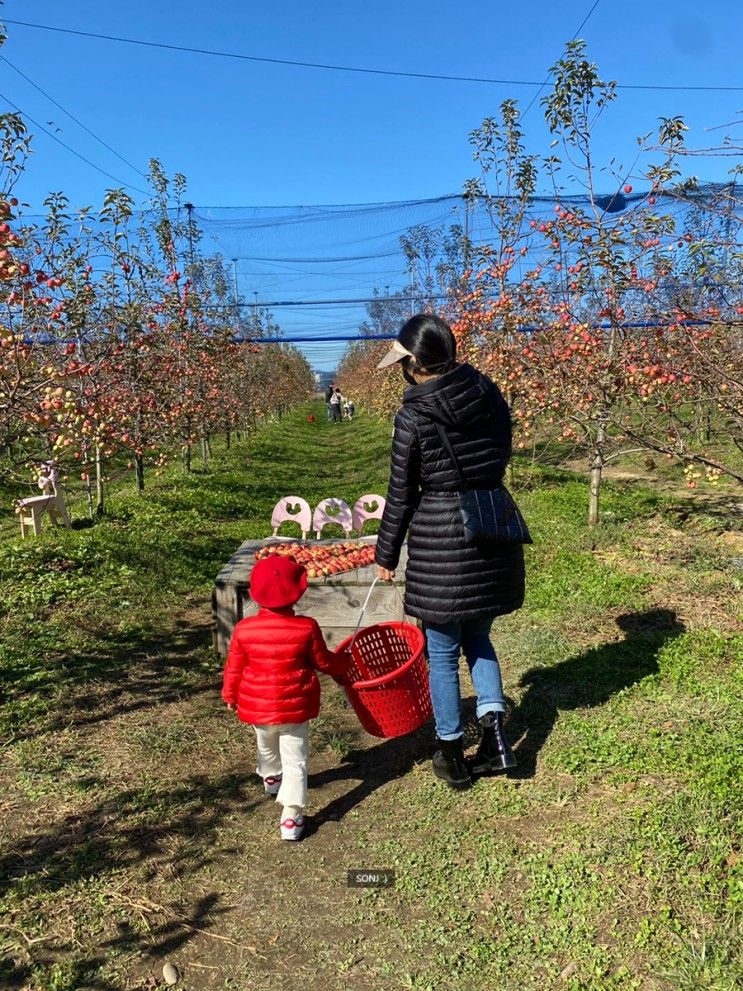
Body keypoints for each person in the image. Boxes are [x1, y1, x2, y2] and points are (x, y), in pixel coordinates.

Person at [375, 314, 525, 791]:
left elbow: (401, 492)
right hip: (491, 521)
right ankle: (498, 742)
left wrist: (386, 554)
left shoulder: (413, 415)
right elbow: (501, 451)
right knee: (479, 638)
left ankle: (452, 754)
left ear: (413, 362)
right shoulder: (488, 392)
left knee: (440, 652)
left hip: (442, 532)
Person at [222, 555, 351, 839]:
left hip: (258, 707)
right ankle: (291, 816)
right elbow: (323, 662)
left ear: (256, 593)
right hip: (296, 708)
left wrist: (230, 694)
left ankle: (270, 775)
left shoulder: (244, 629)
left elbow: (234, 667)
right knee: (296, 760)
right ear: (296, 593)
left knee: (265, 742)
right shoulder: (306, 627)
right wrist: (345, 662)